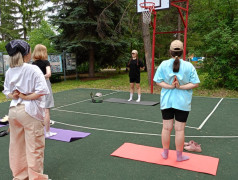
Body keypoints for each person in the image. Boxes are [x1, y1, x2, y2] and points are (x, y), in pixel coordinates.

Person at [3, 40, 50, 179]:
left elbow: (7, 92)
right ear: (26, 54)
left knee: (16, 146)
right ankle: (36, 178)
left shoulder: (9, 71)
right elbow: (42, 91)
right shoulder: (32, 69)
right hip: (29, 112)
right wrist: (26, 97)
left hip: (13, 111)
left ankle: (20, 176)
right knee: (34, 147)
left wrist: (15, 95)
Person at [153, 40, 200, 162]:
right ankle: (179, 156)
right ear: (183, 51)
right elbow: (195, 83)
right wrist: (180, 87)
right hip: (182, 102)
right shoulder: (189, 66)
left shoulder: (163, 64)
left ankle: (165, 153)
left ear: (170, 51)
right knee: (179, 129)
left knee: (166, 128)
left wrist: (169, 86)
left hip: (167, 101)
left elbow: (157, 81)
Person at [32, 44, 57, 138]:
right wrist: (42, 77)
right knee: (46, 109)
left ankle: (38, 131)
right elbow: (48, 74)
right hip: (44, 86)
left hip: (36, 86)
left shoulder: (33, 64)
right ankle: (47, 132)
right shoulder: (46, 62)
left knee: (38, 109)